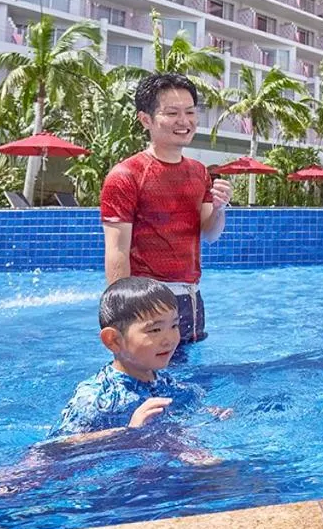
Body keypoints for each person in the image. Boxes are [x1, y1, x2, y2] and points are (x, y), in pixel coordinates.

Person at [101, 73, 231, 343]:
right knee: (148, 380)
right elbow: (117, 251)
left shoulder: (199, 172)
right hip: (148, 300)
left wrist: (219, 209)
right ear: (145, 119)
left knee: (189, 377)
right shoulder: (126, 174)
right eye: (172, 113)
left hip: (192, 298)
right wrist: (122, 317)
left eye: (190, 112)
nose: (184, 121)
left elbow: (210, 234)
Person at [52, 277, 230, 436]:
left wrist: (207, 412)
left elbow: (180, 407)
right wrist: (129, 432)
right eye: (155, 330)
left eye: (174, 326)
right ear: (113, 340)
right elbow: (57, 447)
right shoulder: (96, 396)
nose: (169, 339)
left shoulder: (162, 380)